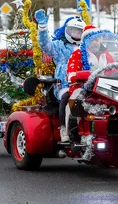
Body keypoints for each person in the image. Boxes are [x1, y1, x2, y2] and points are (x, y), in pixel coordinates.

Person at [35, 9, 86, 142]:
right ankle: (64, 128)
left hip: (85, 84)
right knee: (66, 98)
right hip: (64, 84)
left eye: (79, 32)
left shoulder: (86, 47)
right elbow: (45, 45)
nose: (76, 34)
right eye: (73, 31)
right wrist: (42, 28)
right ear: (66, 30)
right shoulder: (59, 46)